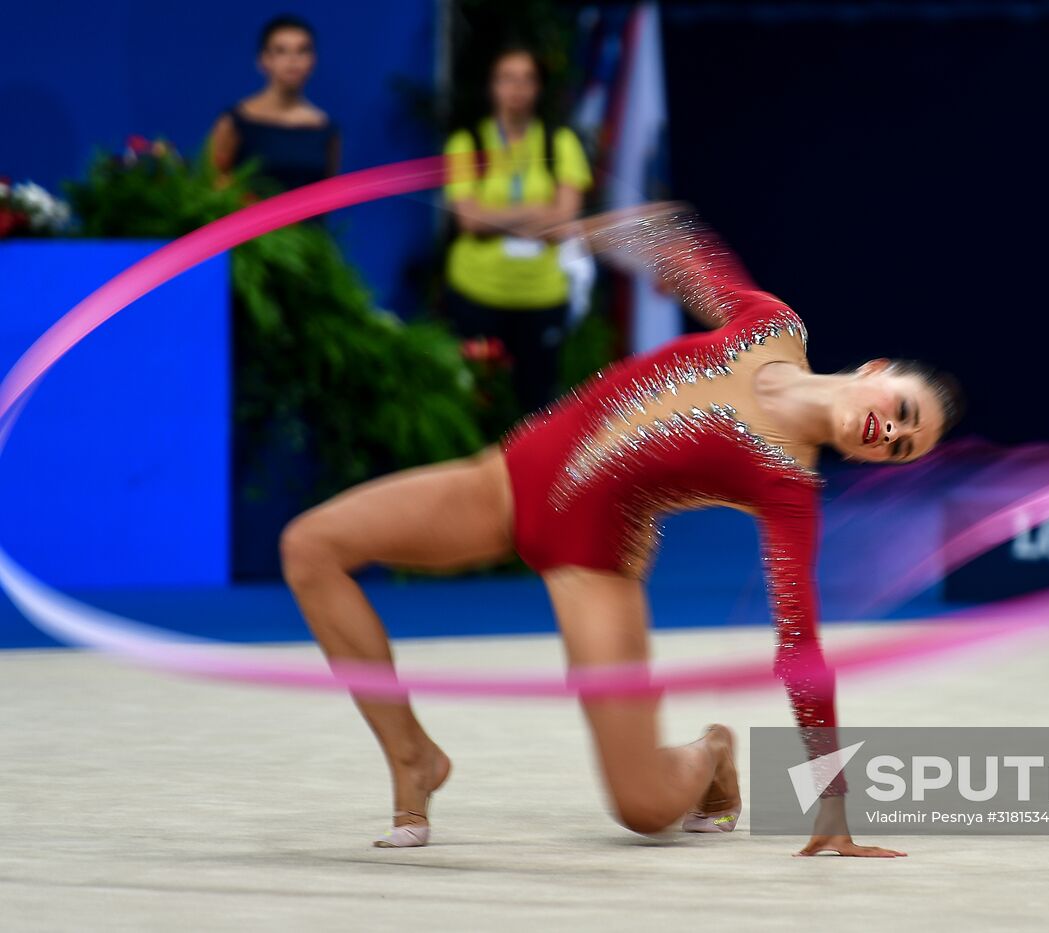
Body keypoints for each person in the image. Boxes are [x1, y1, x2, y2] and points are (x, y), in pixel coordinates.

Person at [279, 204, 964, 857]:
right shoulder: (770, 324)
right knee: (310, 547)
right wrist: (595, 229)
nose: (892, 432)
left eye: (901, 445)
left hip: (594, 561)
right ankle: (412, 755)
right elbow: (679, 244)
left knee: (641, 808)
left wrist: (833, 804)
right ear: (876, 370)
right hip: (506, 479)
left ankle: (712, 752)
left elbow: (799, 645)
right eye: (903, 411)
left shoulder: (788, 483)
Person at [442, 46, 593, 414]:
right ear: (492, 86)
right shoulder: (468, 144)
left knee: (538, 408)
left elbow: (564, 221)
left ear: (539, 87)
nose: (517, 88)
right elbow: (469, 221)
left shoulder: (560, 143)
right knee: (473, 402)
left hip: (540, 296)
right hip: (477, 292)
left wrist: (497, 215)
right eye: (507, 78)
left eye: (527, 79)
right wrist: (537, 210)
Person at [209, 16, 340, 194]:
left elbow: (327, 195)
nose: (293, 60)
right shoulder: (235, 122)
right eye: (281, 51)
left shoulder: (325, 129)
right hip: (252, 221)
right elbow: (210, 185)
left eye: (302, 51)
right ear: (263, 59)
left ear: (313, 60)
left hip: (309, 223)